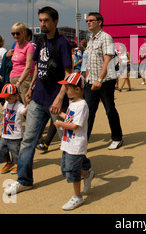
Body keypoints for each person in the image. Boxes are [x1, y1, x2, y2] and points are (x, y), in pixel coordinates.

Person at [4, 6, 77, 195]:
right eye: (41, 20)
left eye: (46, 20)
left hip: (55, 101)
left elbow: (68, 73)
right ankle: (24, 180)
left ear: (55, 22)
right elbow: (37, 66)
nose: (42, 24)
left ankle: (82, 171)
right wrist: (32, 87)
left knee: (67, 141)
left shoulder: (62, 43)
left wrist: (60, 98)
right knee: (28, 140)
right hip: (38, 98)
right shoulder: (40, 39)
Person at [54, 72, 94, 210]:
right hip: (68, 143)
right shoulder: (72, 103)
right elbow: (70, 119)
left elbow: (75, 125)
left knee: (72, 171)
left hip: (76, 144)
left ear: (77, 89)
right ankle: (87, 174)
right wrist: (60, 114)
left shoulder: (82, 105)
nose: (65, 91)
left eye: (67, 88)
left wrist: (60, 124)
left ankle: (77, 197)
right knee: (66, 170)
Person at [84, 12, 123, 150]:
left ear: (99, 22)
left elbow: (108, 60)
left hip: (105, 81)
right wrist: (88, 78)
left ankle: (117, 137)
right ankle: (83, 140)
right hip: (91, 81)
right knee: (88, 111)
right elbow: (90, 62)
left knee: (109, 109)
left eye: (91, 20)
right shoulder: (90, 39)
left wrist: (99, 80)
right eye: (87, 20)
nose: (88, 22)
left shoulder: (106, 38)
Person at [0, 83, 27, 174]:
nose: (6, 99)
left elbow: (24, 112)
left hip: (15, 134)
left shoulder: (19, 106)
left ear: (16, 95)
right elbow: (4, 112)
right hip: (5, 132)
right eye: (5, 97)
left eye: (9, 97)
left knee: (15, 151)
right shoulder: (6, 103)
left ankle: (19, 165)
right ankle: (9, 162)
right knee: (1, 148)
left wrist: (29, 104)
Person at [9, 22, 35, 106]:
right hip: (13, 77)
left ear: (24, 33)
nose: (15, 36)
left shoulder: (29, 46)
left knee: (27, 104)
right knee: (16, 106)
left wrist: (19, 82)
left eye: (18, 33)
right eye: (13, 33)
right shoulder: (16, 45)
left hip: (24, 79)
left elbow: (28, 67)